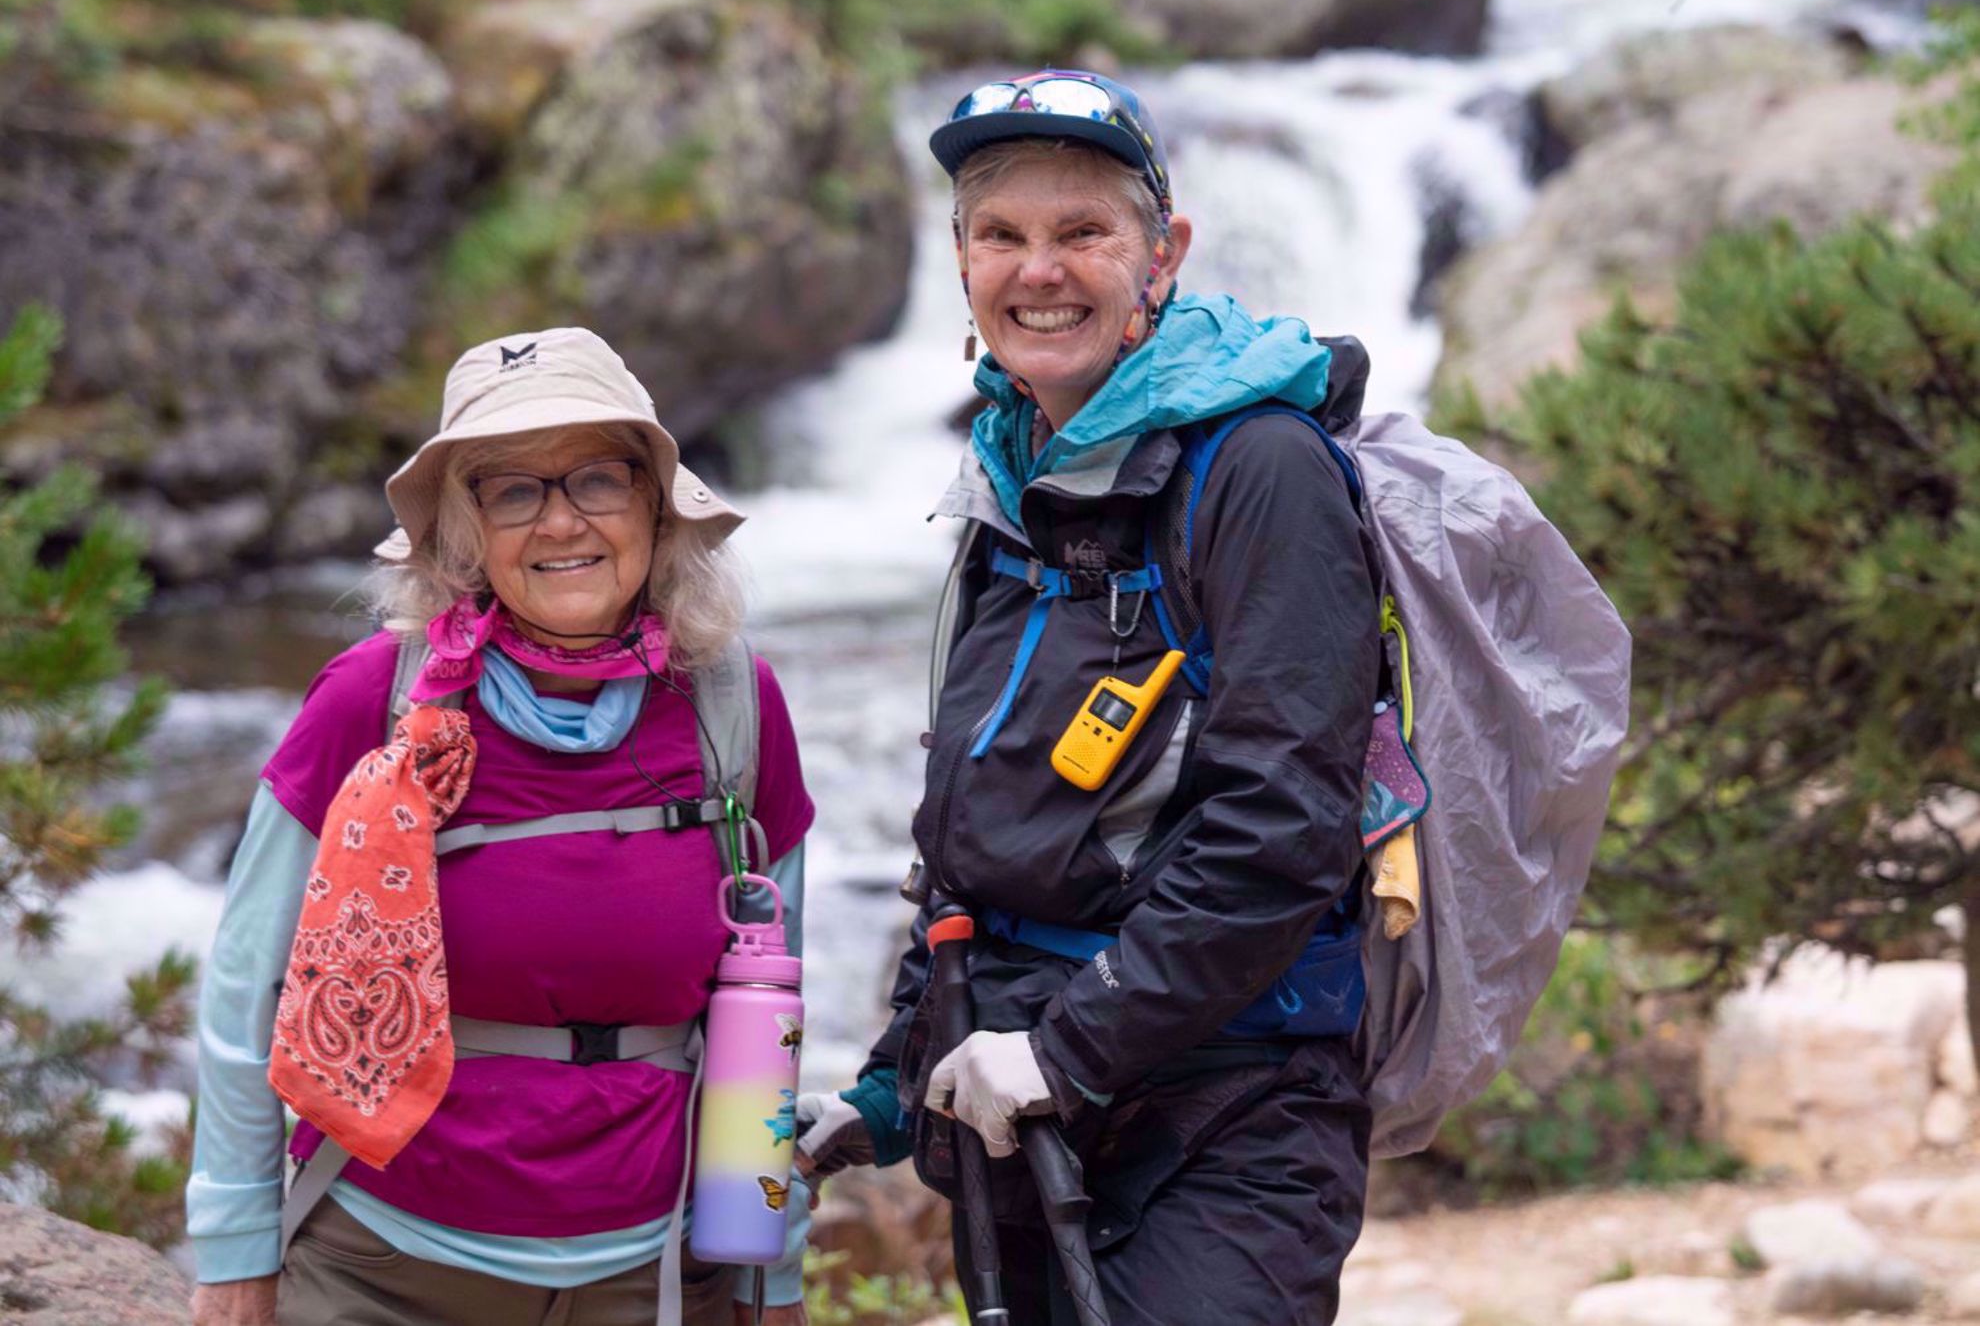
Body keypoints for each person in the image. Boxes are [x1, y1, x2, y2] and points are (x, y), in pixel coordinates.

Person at [796, 72, 1381, 1325]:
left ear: (1162, 255)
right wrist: (898, 1083)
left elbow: (1282, 833)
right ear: (958, 261)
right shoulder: (1017, 472)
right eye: (1002, 235)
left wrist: (1068, 1050)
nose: (1038, 270)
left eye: (1082, 233)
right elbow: (977, 831)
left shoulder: (1263, 470)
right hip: (1012, 1101)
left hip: (1230, 1106)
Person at [186, 328, 812, 1326]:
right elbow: (245, 988)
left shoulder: (732, 706)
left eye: (598, 480)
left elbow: (769, 1014)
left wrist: (770, 1270)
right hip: (380, 1272)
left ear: (654, 503)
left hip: (650, 1276)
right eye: (512, 489)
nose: (562, 521)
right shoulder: (370, 702)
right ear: (466, 528)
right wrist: (231, 1249)